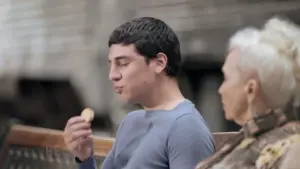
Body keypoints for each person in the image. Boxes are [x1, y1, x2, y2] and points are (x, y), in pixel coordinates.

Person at [63, 17, 215, 169]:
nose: (112, 75)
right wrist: (84, 158)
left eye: (123, 64)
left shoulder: (186, 128)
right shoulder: (130, 121)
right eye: (111, 64)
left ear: (159, 63)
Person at [195, 17, 300, 169]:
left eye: (227, 79)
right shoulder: (246, 139)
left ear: (251, 89)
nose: (221, 89)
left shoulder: (290, 149)